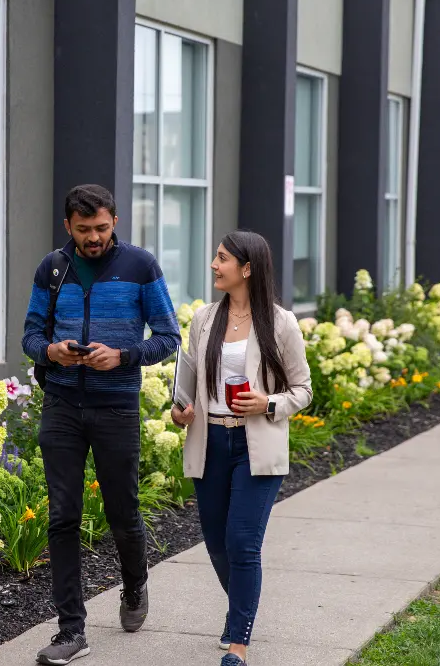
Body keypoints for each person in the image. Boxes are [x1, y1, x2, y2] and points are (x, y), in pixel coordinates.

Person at [22, 184, 181, 665]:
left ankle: (135, 586)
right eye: (85, 229)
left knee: (122, 513)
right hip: (63, 406)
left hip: (116, 408)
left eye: (103, 228)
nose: (94, 238)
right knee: (63, 516)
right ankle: (72, 630)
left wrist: (124, 356)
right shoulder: (52, 268)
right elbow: (31, 334)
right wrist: (50, 351)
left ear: (115, 223)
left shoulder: (140, 266)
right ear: (67, 225)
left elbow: (169, 336)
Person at [171, 230, 312, 666]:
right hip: (210, 440)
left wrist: (267, 402)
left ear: (247, 268)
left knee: (242, 542)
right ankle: (241, 612)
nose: (214, 265)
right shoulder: (204, 320)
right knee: (215, 542)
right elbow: (189, 381)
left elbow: (303, 389)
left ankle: (238, 643)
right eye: (215, 257)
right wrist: (181, 409)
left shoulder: (281, 322)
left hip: (256, 444)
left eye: (222, 258)